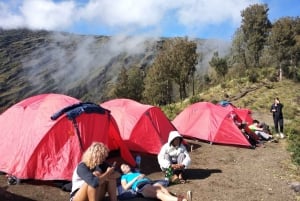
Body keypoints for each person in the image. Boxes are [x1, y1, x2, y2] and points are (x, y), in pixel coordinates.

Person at [120, 163, 192, 201]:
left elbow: (146, 178)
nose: (126, 166)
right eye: (123, 167)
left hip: (150, 183)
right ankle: (181, 200)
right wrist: (136, 178)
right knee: (159, 193)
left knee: (163, 189)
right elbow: (125, 187)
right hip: (141, 186)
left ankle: (175, 199)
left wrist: (143, 176)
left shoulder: (136, 172)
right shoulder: (124, 177)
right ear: (123, 172)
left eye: (126, 165)